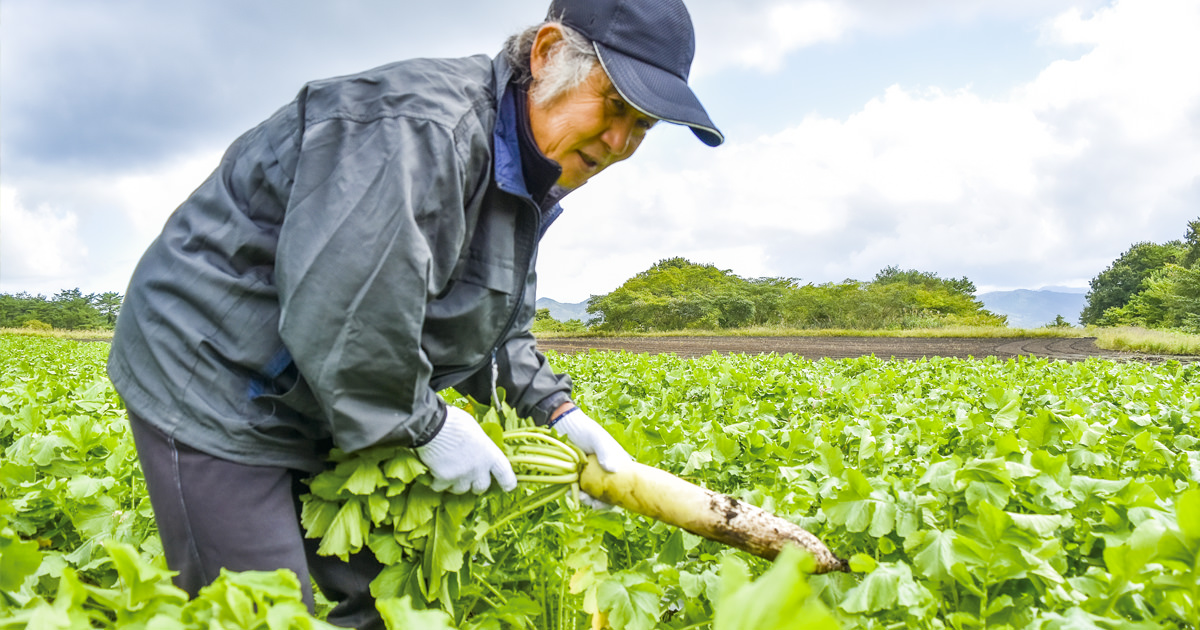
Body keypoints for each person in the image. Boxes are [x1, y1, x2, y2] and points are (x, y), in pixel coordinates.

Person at [107, 0, 723, 627]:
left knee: (393, 597)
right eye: (614, 105)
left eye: (643, 126)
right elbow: (346, 302)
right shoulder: (419, 131)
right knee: (257, 611)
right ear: (545, 56)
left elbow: (493, 313)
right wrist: (424, 426)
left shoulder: (528, 171)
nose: (620, 142)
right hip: (215, 374)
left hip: (320, 386)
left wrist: (555, 411)